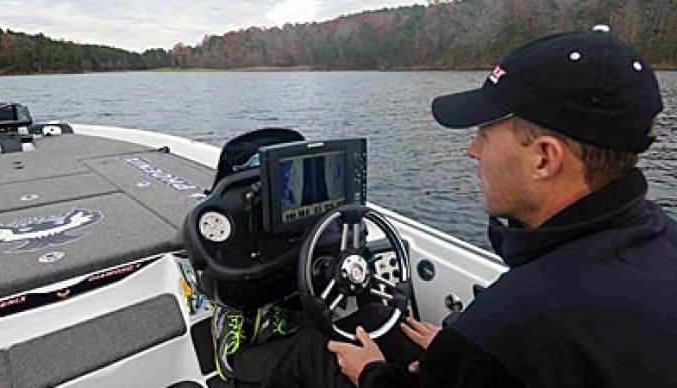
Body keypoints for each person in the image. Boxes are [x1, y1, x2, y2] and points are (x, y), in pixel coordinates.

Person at [220, 28, 677, 388]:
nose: (472, 152)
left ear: (544, 158)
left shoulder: (506, 329)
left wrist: (373, 373)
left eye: (484, 134)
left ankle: (232, 366)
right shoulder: (663, 238)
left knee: (317, 352)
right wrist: (457, 355)